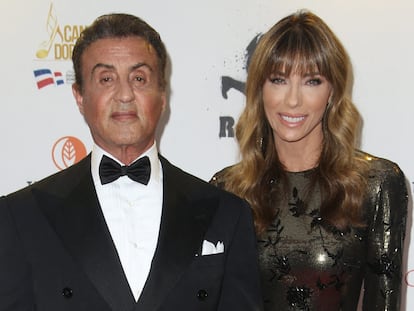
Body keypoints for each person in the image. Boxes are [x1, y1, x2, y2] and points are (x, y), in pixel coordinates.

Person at [0, 13, 263, 311]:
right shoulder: (21, 217)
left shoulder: (226, 214)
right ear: (80, 97)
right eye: (106, 79)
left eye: (139, 79)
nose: (124, 95)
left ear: (162, 95)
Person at [210, 9, 408, 311]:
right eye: (278, 79)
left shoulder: (375, 184)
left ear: (332, 92)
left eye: (311, 81)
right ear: (259, 89)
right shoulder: (228, 189)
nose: (292, 100)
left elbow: (383, 303)